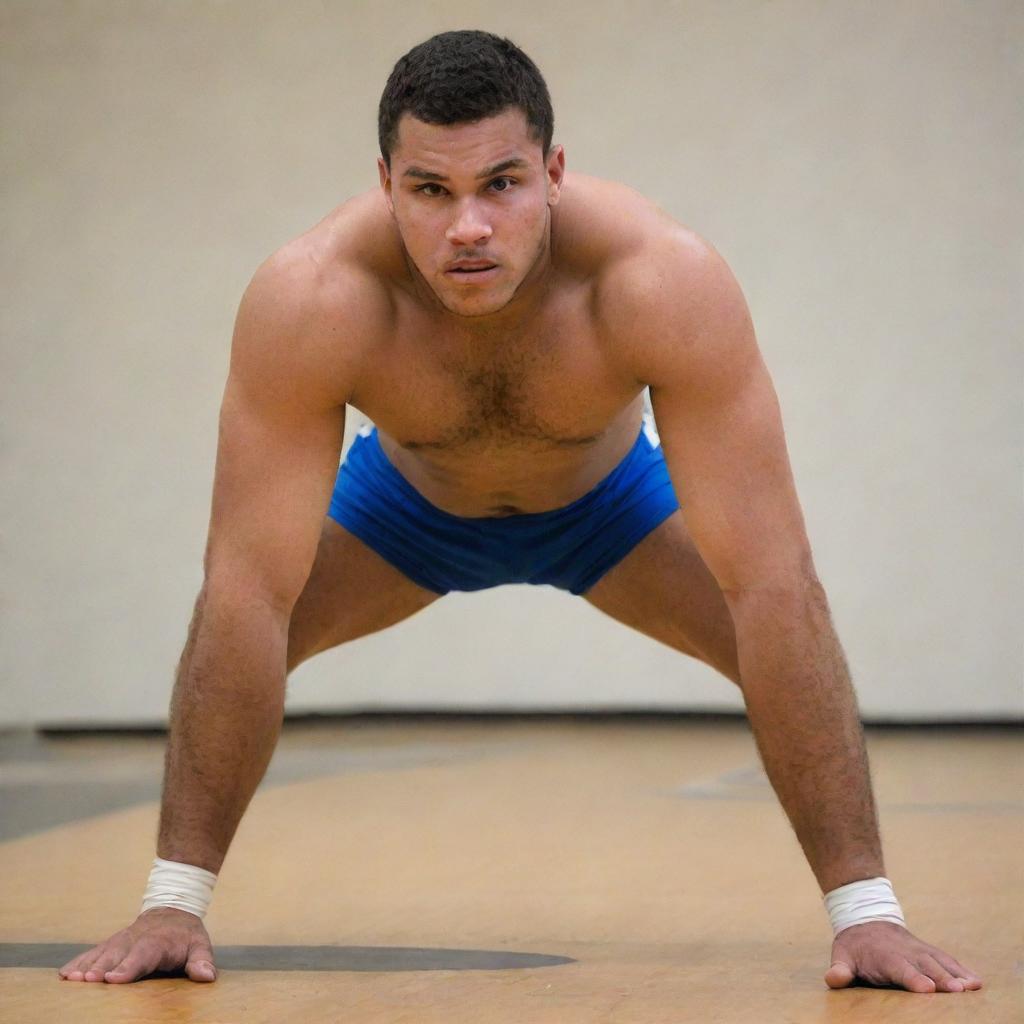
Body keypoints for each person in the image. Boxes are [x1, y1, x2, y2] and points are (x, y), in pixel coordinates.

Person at [58, 30, 981, 993]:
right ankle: (173, 899)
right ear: (386, 184)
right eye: (430, 191)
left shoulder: (661, 281)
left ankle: (866, 911)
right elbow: (244, 587)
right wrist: (173, 900)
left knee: (774, 619)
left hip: (613, 509)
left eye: (501, 183)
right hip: (404, 512)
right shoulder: (315, 298)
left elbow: (776, 580)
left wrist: (867, 915)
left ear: (553, 172)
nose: (469, 226)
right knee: (248, 614)